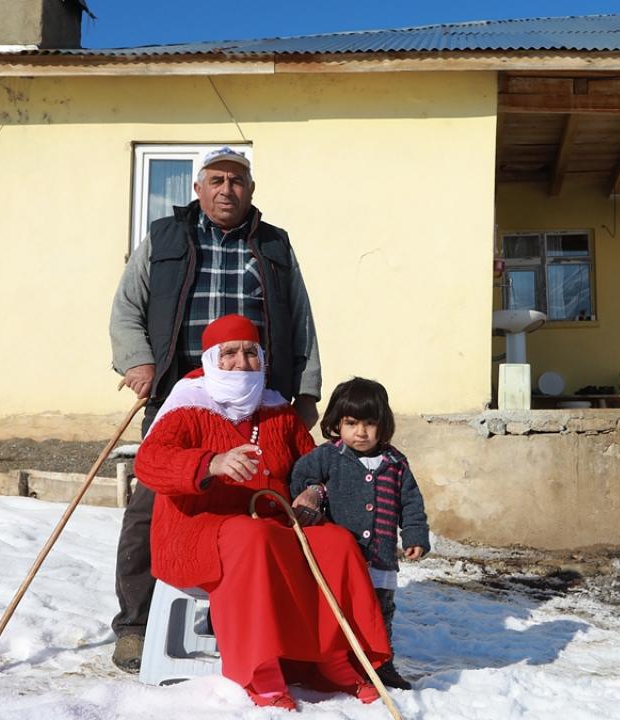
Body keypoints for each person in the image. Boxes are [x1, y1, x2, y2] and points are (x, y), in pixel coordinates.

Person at [109, 145, 322, 671]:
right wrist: (137, 362)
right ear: (199, 187)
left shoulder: (274, 244)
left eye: (238, 180)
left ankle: (270, 617)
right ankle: (135, 624)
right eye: (217, 179)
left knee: (261, 496)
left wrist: (308, 389)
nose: (228, 189)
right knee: (151, 504)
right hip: (181, 390)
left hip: (255, 393)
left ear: (251, 190)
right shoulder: (163, 237)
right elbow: (126, 309)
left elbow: (300, 318)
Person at [133, 314, 389, 711]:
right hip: (196, 531)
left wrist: (313, 493)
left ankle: (336, 657)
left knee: (334, 542)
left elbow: (316, 465)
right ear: (212, 359)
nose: (241, 362)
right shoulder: (187, 405)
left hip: (272, 523)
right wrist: (211, 464)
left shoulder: (277, 411)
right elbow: (149, 463)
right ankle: (259, 668)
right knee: (252, 537)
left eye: (251, 352)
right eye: (230, 353)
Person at [289, 377, 431, 691]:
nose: (361, 432)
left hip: (380, 555)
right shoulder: (329, 456)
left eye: (369, 423)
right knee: (343, 609)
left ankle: (382, 664)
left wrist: (415, 536)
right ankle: (341, 661)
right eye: (351, 423)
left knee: (381, 612)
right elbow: (301, 476)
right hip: (344, 558)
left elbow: (411, 502)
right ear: (337, 423)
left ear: (383, 424)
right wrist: (313, 494)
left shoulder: (395, 463)